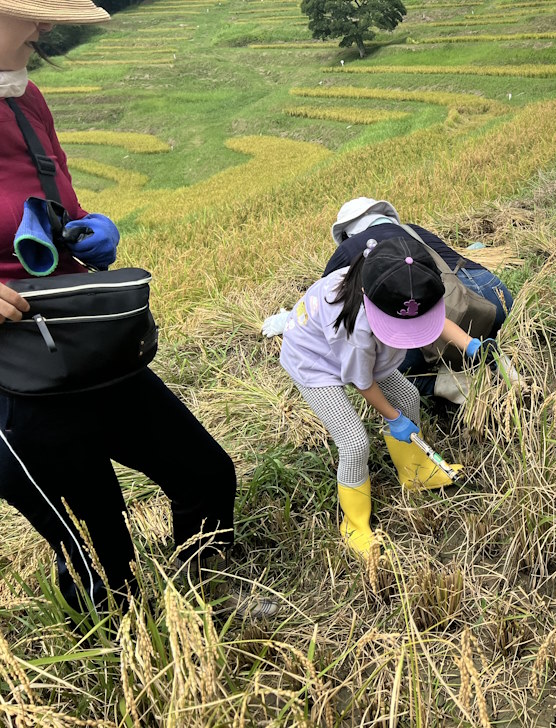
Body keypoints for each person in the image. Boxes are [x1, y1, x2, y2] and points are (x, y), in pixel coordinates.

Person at [0, 1, 261, 617]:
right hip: (15, 377)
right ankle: (128, 660)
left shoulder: (26, 100)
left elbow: (53, 197)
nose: (44, 28)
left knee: (205, 473)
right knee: (97, 540)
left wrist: (86, 229)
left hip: (75, 336)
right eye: (29, 15)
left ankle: (204, 597)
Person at [280, 237, 473, 555]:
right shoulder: (358, 327)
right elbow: (361, 379)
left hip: (366, 352)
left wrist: (471, 345)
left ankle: (417, 474)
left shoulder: (400, 283)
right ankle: (354, 525)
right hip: (314, 361)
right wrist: (393, 417)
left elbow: (435, 321)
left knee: (408, 396)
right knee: (355, 443)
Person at [324, 197, 513, 403]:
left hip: (442, 317)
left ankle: (446, 384)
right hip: (495, 300)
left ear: (347, 233)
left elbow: (326, 301)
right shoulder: (412, 230)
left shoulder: (347, 249)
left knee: (383, 368)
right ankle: (492, 356)